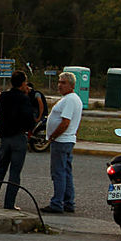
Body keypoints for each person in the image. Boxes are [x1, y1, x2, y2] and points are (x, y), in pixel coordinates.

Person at [0, 70, 36, 211]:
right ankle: (9, 202)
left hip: (5, 137)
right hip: (18, 136)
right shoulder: (24, 99)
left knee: (0, 169)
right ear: (23, 83)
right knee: (15, 172)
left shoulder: (5, 96)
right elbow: (29, 119)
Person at [42, 72, 84, 214]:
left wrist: (53, 136)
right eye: (59, 82)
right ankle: (68, 201)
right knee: (66, 172)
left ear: (72, 85)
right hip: (66, 140)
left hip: (62, 140)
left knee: (58, 172)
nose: (60, 85)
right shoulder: (70, 99)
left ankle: (57, 203)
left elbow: (65, 122)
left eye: (63, 82)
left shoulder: (70, 100)